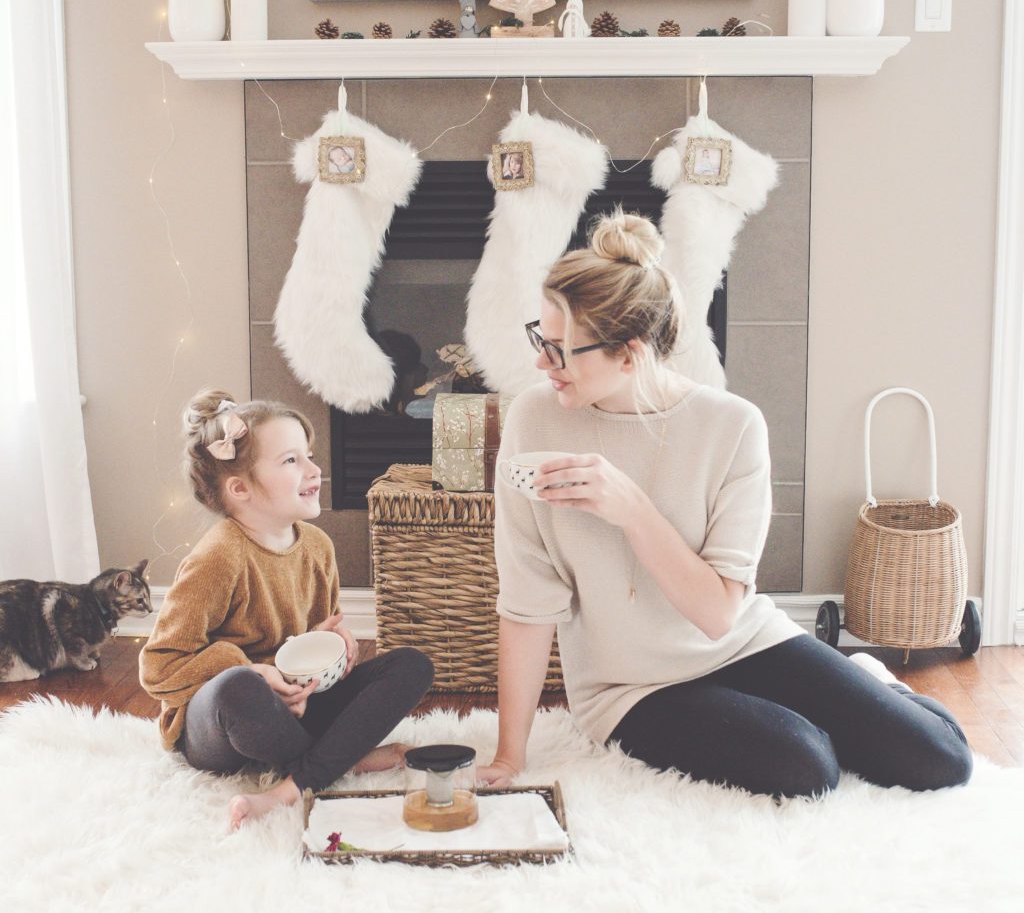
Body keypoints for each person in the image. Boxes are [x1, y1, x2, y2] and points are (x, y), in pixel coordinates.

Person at [478, 210, 972, 799]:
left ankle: (869, 682)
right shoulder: (534, 421)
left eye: (560, 350)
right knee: (807, 766)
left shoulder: (732, 427)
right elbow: (528, 603)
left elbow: (717, 615)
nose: (542, 363)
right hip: (630, 688)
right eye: (541, 338)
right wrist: (509, 756)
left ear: (629, 353)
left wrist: (632, 509)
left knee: (940, 760)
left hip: (741, 642)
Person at [140, 389, 433, 830]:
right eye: (291, 460)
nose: (315, 471)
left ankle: (302, 775)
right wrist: (253, 670)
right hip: (225, 725)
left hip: (297, 708)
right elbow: (158, 668)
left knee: (412, 666)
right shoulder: (217, 558)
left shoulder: (317, 546)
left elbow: (314, 633)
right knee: (239, 687)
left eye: (309, 456)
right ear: (240, 489)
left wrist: (333, 642)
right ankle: (339, 759)